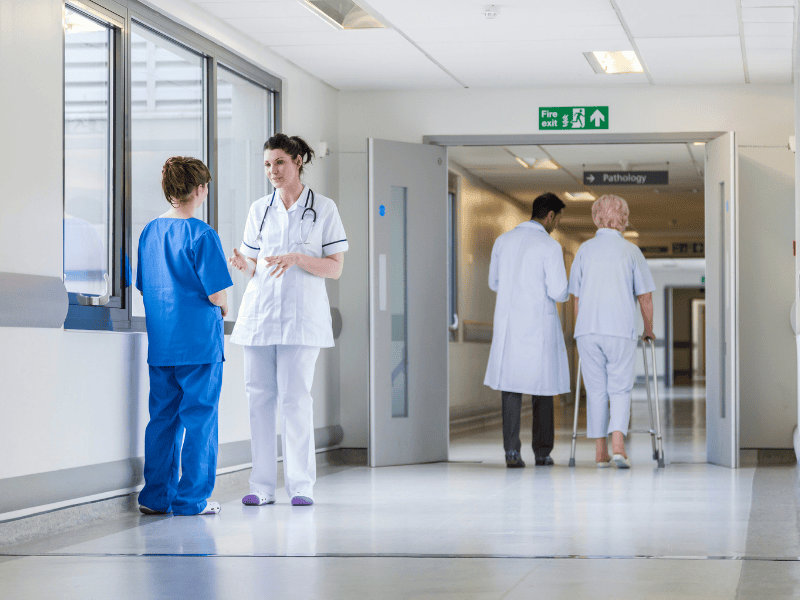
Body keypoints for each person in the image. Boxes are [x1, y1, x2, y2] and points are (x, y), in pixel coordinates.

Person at [228, 134, 348, 507]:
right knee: (259, 400)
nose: (272, 171)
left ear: (297, 161)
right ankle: (261, 487)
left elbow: (335, 268)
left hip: (302, 318)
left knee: (296, 400)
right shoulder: (259, 209)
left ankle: (300, 486)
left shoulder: (324, 208)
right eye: (267, 164)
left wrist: (297, 258)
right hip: (260, 315)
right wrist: (242, 264)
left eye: (279, 162)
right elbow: (254, 264)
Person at [136, 157, 233, 515]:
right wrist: (224, 309)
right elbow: (217, 294)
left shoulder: (149, 232)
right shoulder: (203, 234)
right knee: (200, 422)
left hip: (162, 345)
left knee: (162, 421)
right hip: (199, 346)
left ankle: (155, 498)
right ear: (200, 189)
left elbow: (145, 287)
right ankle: (192, 500)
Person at [568, 194, 656, 469]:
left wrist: (581, 328)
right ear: (624, 219)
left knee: (595, 390)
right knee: (619, 388)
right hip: (620, 329)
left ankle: (600, 451)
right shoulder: (631, 251)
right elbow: (645, 297)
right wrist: (649, 329)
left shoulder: (583, 250)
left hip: (588, 331)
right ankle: (619, 446)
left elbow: (577, 298)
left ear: (596, 218)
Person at [484, 192, 570, 468]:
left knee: (510, 388)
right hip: (538, 325)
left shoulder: (503, 241)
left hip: (510, 324)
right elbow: (558, 291)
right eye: (558, 219)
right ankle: (542, 452)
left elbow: (494, 282)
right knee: (542, 389)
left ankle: (511, 451)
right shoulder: (550, 246)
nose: (556, 225)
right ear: (550, 216)